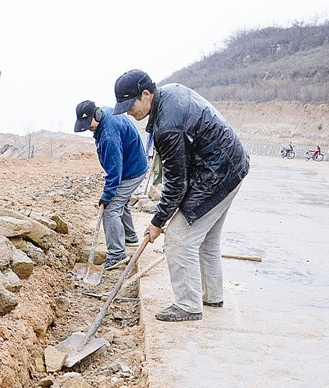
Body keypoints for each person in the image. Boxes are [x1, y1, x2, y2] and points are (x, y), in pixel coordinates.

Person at [113, 70, 250, 321]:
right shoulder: (169, 93)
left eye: (129, 104)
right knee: (205, 239)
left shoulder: (167, 125)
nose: (128, 112)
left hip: (217, 174)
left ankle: (188, 305)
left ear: (146, 94)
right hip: (232, 166)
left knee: (178, 238)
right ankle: (212, 296)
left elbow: (177, 183)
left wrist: (157, 222)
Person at [74, 100, 148, 268]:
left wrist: (106, 196)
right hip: (133, 165)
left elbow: (114, 170)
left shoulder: (109, 135)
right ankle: (129, 237)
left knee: (111, 208)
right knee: (122, 201)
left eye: (88, 124)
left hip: (132, 170)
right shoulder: (105, 115)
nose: (87, 128)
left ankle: (117, 255)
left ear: (96, 115)